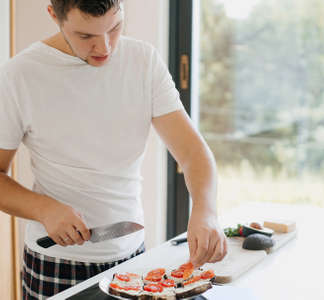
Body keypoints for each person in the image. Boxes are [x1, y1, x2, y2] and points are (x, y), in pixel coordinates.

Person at [0, 0, 227, 298]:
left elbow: (193, 153)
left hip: (133, 257)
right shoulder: (18, 76)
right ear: (54, 15)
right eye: (86, 36)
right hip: (55, 262)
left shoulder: (143, 61)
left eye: (115, 27)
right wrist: (43, 209)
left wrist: (205, 210)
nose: (104, 47)